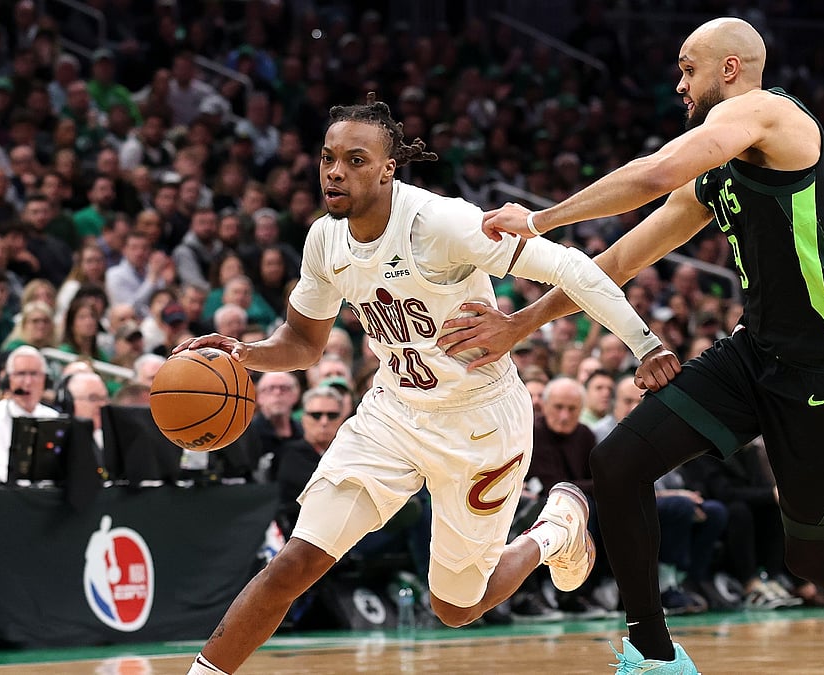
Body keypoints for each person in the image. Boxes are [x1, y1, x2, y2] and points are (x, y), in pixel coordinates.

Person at [442, 18, 824, 672]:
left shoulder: (770, 114)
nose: (679, 83)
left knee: (813, 554)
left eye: (687, 69)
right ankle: (653, 655)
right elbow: (616, 260)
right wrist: (519, 324)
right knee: (618, 461)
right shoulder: (717, 171)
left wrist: (539, 219)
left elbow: (656, 171)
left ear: (730, 69)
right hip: (754, 357)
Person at [179, 96, 674, 675]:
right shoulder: (324, 240)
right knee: (295, 561)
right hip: (394, 412)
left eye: (355, 160)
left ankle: (555, 529)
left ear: (388, 168)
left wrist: (646, 344)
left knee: (455, 606)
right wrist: (245, 354)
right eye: (327, 158)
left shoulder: (441, 224)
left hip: (481, 421)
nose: (336, 171)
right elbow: (304, 341)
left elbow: (570, 266)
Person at [0, 346, 59, 483]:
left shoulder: (54, 417)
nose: (27, 382)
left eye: (34, 374)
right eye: (21, 374)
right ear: (8, 380)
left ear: (45, 380)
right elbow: (1, 470)